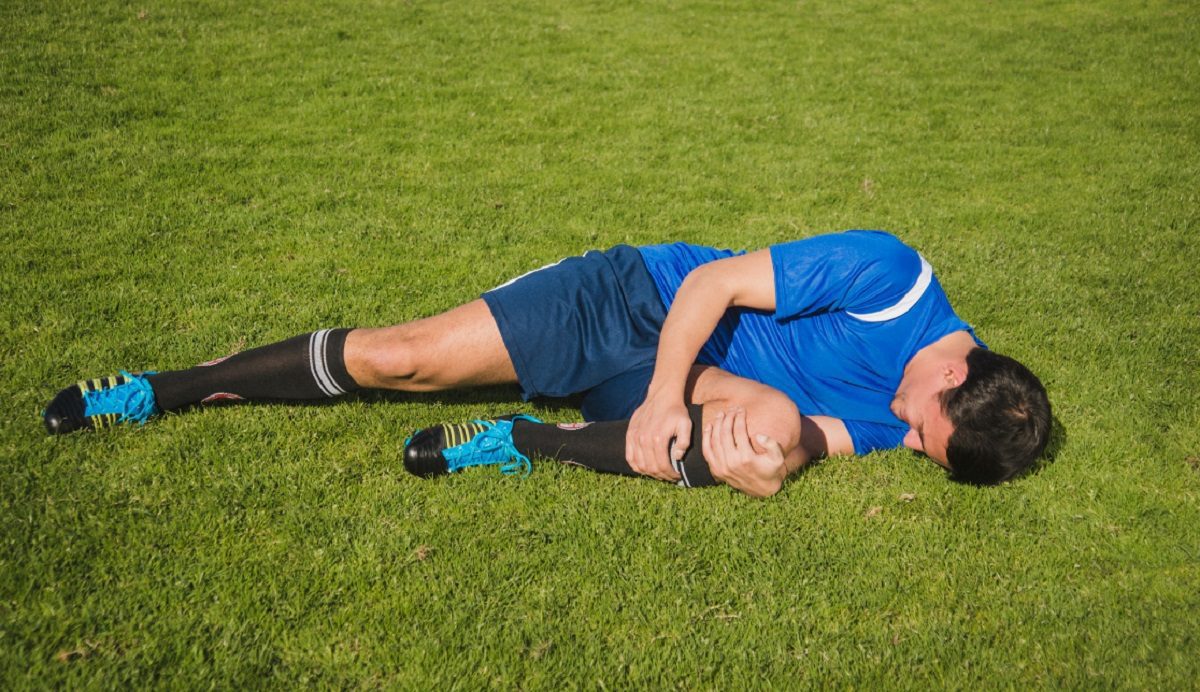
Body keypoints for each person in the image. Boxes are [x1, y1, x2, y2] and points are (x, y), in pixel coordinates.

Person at [43, 230, 1051, 496]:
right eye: (920, 427)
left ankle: (529, 442)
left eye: (913, 444)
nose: (899, 433)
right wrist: (665, 400)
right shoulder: (891, 278)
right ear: (955, 377)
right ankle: (156, 387)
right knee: (400, 358)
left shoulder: (917, 418)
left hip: (695, 387)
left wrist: (758, 456)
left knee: (782, 439)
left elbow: (808, 436)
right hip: (639, 300)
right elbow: (710, 293)